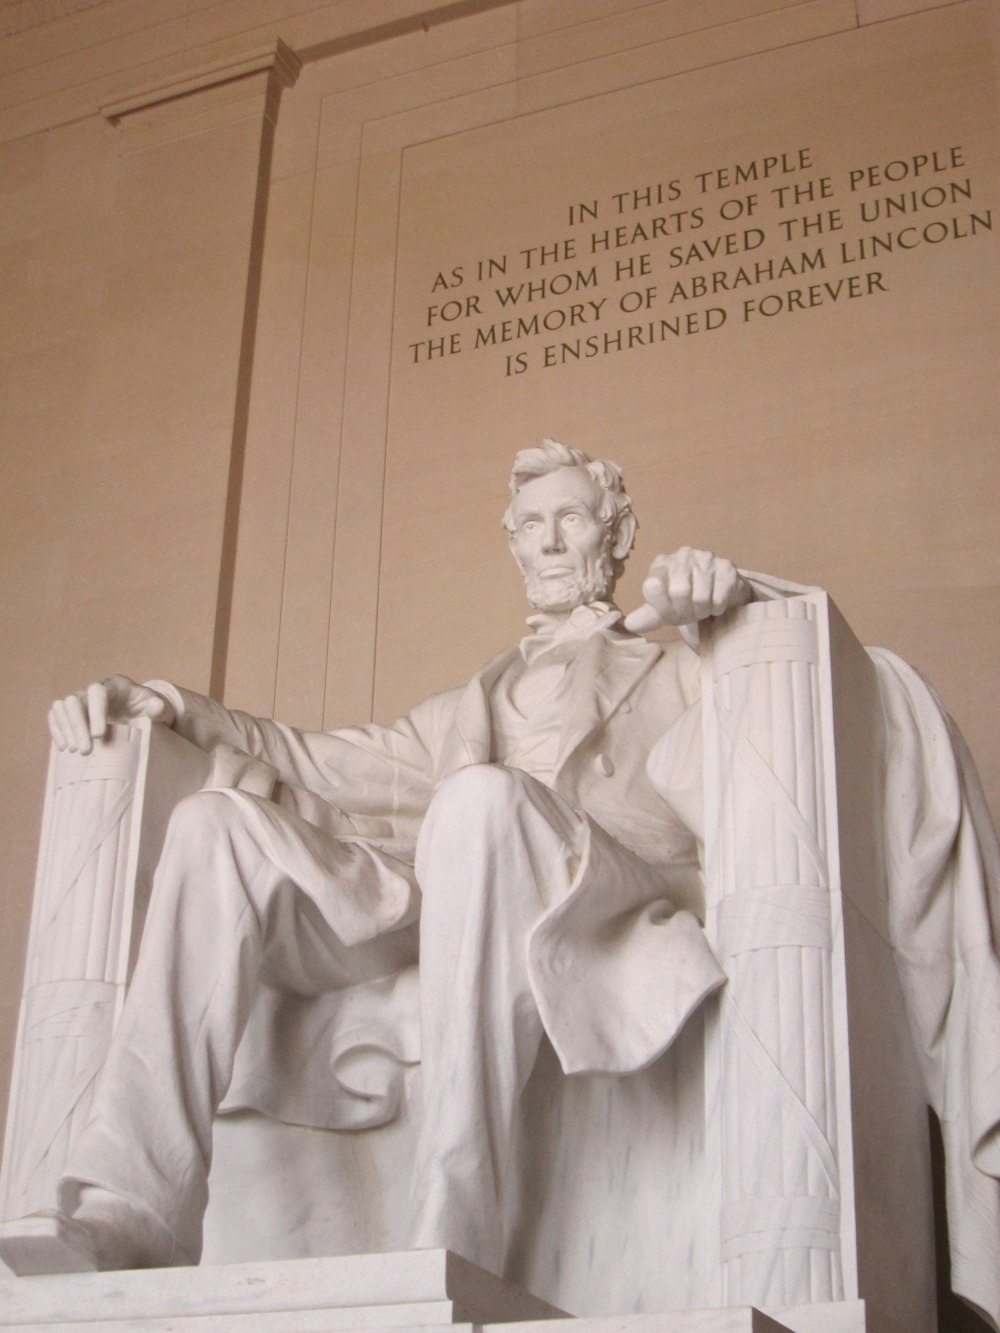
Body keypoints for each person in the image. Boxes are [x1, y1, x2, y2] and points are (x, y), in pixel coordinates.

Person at [0, 441, 807, 1276]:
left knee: (479, 801)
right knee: (214, 826)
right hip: (445, 895)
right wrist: (173, 705)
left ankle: (453, 1220)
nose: (552, 540)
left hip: (598, 893)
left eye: (571, 517)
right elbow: (315, 755)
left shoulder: (675, 667)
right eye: (531, 525)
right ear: (516, 547)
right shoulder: (469, 703)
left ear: (616, 531)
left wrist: (728, 603)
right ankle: (136, 1207)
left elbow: (777, 695)